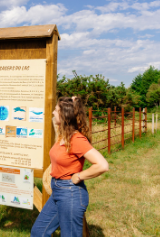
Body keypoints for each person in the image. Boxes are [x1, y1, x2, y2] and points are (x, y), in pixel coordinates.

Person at [31, 97, 109, 237]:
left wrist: (78, 176)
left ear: (64, 115)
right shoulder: (62, 135)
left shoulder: (77, 139)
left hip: (71, 193)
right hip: (57, 190)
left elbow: (102, 165)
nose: (53, 113)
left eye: (56, 110)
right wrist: (73, 101)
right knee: (38, 232)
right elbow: (58, 120)